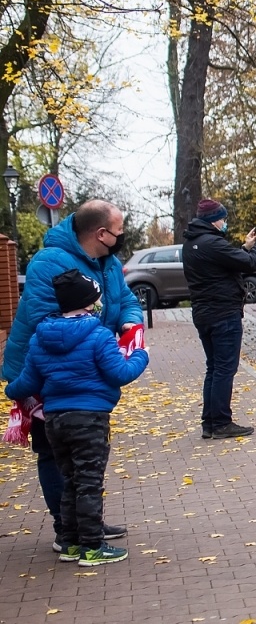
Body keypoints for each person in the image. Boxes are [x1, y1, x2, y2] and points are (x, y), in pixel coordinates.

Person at [2, 201, 143, 552]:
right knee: (55, 454)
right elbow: (46, 322)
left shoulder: (107, 263)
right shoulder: (49, 263)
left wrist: (128, 321)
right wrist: (102, 339)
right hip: (48, 374)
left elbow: (127, 300)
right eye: (119, 231)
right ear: (101, 234)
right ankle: (70, 531)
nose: (122, 236)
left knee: (79, 460)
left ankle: (82, 524)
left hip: (80, 374)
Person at [181, 198, 256, 439]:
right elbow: (250, 264)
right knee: (224, 369)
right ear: (213, 220)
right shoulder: (212, 243)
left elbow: (227, 263)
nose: (225, 222)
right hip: (222, 313)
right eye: (223, 218)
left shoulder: (193, 242)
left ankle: (210, 422)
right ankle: (220, 422)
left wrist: (245, 246)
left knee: (214, 367)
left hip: (204, 312)